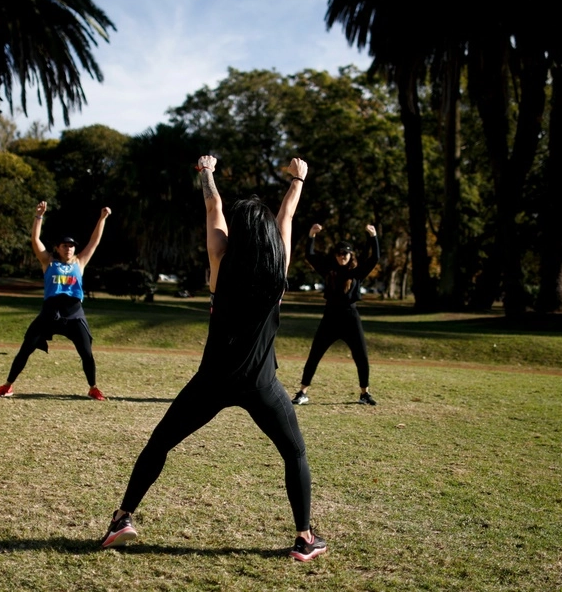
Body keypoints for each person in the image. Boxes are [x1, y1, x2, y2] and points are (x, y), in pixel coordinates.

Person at [100, 155, 327, 562]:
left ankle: (122, 518)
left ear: (238, 232)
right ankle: (305, 538)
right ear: (270, 237)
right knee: (294, 454)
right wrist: (298, 178)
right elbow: (287, 215)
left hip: (212, 381)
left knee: (159, 444)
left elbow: (214, 207)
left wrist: (206, 172)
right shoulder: (279, 267)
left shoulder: (221, 259)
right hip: (261, 384)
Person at [0, 202, 111, 400]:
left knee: (87, 354)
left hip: (74, 314)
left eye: (72, 246)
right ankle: (7, 385)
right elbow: (35, 239)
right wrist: (39, 216)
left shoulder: (80, 262)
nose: (69, 248)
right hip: (50, 312)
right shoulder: (48, 261)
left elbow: (95, 241)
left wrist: (102, 219)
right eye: (65, 245)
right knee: (26, 348)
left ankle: (93, 388)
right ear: (57, 247)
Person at [290, 223, 380, 406]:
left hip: (350, 318)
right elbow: (310, 256)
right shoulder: (329, 271)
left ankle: (365, 394)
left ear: (350, 255)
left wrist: (373, 237)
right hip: (330, 317)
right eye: (339, 254)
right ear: (335, 255)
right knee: (314, 355)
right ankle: (302, 392)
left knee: (361, 356)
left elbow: (375, 258)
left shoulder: (357, 272)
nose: (342, 257)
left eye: (345, 254)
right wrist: (311, 236)